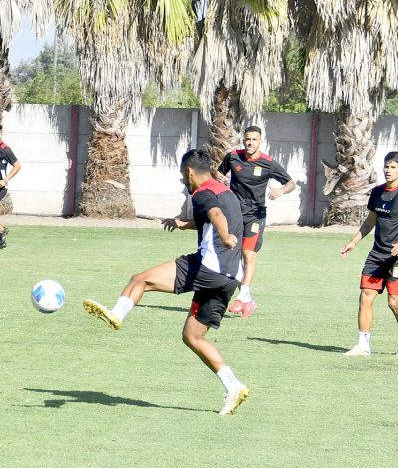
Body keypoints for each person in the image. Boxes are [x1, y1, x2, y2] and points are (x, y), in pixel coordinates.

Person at [83, 149, 250, 415]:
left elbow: (217, 216)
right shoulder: (225, 191)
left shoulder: (202, 192)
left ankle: (117, 314)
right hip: (229, 277)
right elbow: (212, 217)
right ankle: (233, 386)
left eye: (182, 175)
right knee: (193, 336)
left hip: (208, 267)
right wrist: (184, 224)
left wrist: (226, 235)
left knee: (141, 280)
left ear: (189, 172)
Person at [340, 151, 398, 357]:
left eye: (393, 167)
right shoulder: (377, 192)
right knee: (366, 296)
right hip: (377, 254)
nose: (388, 171)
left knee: (394, 302)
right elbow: (371, 220)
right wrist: (354, 242)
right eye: (386, 167)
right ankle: (363, 345)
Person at [216, 126, 296, 318]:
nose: (250, 142)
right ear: (244, 140)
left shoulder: (268, 163)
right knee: (232, 255)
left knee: (247, 253)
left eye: (254, 139)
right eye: (247, 139)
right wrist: (217, 176)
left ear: (260, 141)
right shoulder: (233, 157)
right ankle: (248, 300)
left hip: (255, 215)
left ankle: (242, 297)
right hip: (234, 214)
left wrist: (280, 191)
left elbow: (291, 183)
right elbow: (218, 174)